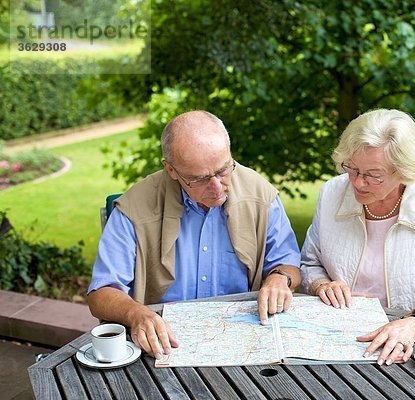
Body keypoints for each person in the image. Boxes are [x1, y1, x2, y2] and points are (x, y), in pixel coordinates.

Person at [88, 110, 301, 359]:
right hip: (163, 342)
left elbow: (289, 265)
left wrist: (279, 279)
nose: (216, 187)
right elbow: (101, 293)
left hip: (244, 340)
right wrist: (137, 314)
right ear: (171, 170)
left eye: (223, 170)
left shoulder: (260, 195)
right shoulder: (135, 207)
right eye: (198, 179)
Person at [300, 108, 415, 366]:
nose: (357, 183)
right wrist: (321, 284)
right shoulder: (333, 192)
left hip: (411, 347)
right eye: (351, 168)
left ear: (404, 171)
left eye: (373, 175)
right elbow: (310, 262)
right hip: (337, 337)